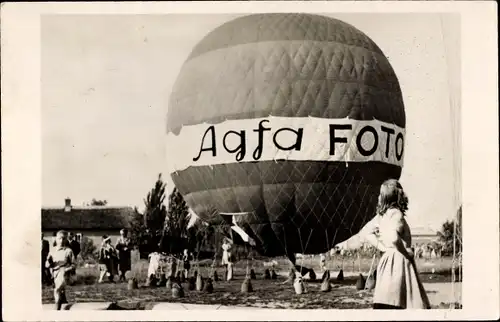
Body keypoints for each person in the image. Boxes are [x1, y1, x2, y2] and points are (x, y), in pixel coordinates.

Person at [361, 179, 430, 309]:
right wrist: (405, 252)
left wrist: (383, 248)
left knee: (387, 300)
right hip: (399, 261)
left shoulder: (381, 216)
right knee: (403, 301)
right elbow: (394, 238)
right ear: (400, 196)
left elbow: (367, 233)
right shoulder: (397, 214)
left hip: (387, 260)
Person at [45, 230, 75, 310]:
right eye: (59, 239)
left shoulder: (68, 251)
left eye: (63, 239)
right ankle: (63, 304)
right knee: (59, 292)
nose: (61, 241)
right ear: (56, 239)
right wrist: (49, 261)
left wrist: (66, 269)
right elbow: (47, 265)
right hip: (54, 274)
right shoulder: (52, 250)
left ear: (66, 240)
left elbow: (73, 265)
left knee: (57, 290)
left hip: (64, 273)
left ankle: (56, 310)